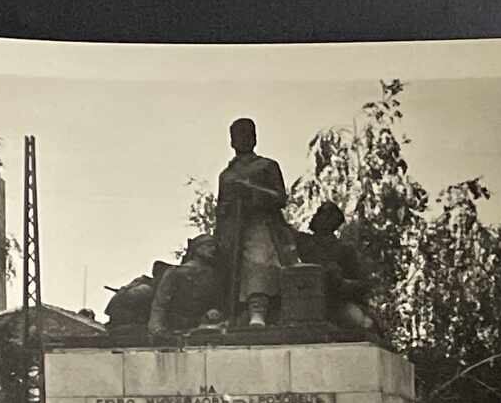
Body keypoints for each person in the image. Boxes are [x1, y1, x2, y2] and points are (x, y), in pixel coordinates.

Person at [214, 118, 296, 327]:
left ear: (255, 138)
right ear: (231, 141)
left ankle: (258, 311)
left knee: (259, 261)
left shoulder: (266, 166)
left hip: (261, 223)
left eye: (247, 134)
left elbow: (280, 198)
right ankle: (228, 313)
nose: (243, 140)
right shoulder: (226, 175)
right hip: (233, 227)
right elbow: (221, 206)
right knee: (225, 266)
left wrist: (251, 191)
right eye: (238, 136)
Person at [295, 201, 378, 331]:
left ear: (331, 220)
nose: (314, 217)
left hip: (338, 303)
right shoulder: (303, 241)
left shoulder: (344, 250)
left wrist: (341, 282)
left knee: (361, 322)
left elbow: (363, 285)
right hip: (307, 302)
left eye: (320, 213)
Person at [147, 235, 225, 336]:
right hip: (175, 324)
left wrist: (213, 312)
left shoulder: (212, 275)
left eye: (214, 246)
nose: (213, 249)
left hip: (199, 325)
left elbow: (215, 302)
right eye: (209, 245)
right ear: (197, 249)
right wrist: (156, 328)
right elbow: (160, 303)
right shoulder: (176, 273)